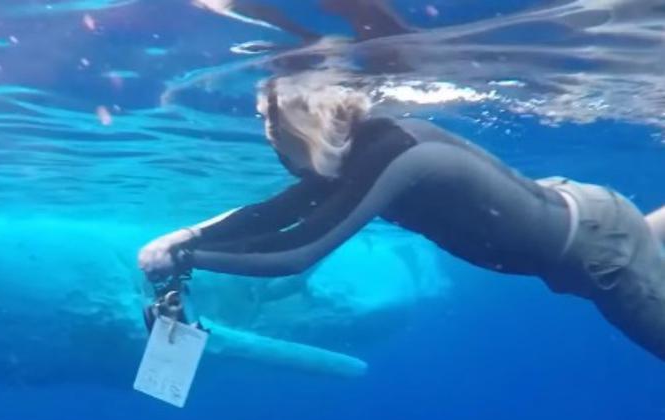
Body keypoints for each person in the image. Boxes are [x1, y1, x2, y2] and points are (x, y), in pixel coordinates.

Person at [137, 71, 665, 362]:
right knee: (637, 235)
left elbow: (296, 252)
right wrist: (185, 237)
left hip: (599, 253)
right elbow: (280, 211)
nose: (281, 164)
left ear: (299, 138)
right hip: (584, 217)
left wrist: (192, 258)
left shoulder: (396, 157)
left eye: (279, 148)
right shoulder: (360, 147)